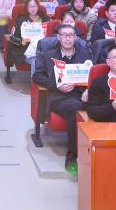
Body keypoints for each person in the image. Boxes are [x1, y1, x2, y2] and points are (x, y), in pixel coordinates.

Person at [31, 23, 93, 175]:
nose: (68, 38)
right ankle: (72, 156)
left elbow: (93, 75)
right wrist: (56, 86)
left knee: (95, 106)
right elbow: (37, 76)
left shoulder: (84, 53)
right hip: (58, 96)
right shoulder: (48, 55)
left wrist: (89, 90)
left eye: (71, 35)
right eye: (64, 35)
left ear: (75, 37)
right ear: (58, 37)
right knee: (77, 109)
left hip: (80, 94)